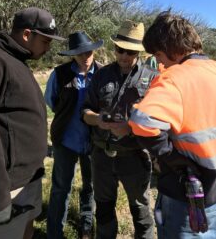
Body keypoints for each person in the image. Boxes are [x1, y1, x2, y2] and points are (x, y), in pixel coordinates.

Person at [111, 12, 216, 238]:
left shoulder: (173, 77)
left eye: (158, 56)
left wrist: (171, 157)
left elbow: (142, 121)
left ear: (168, 49)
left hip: (186, 196)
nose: (159, 63)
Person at [0, 7, 66, 239]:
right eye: (45, 41)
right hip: (9, 187)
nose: (48, 48)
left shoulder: (17, 60)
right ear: (26, 35)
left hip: (29, 178)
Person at [82, 20, 157, 239]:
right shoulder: (101, 75)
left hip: (134, 157)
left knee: (141, 213)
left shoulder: (153, 79)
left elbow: (158, 122)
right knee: (104, 211)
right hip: (102, 157)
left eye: (130, 51)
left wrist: (130, 128)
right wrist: (97, 120)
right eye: (119, 49)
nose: (124, 55)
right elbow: (85, 111)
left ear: (139, 52)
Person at [45, 31, 103, 239]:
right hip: (66, 140)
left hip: (94, 141)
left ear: (93, 51)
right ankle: (55, 232)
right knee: (61, 187)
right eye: (79, 53)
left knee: (91, 185)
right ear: (73, 55)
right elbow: (51, 101)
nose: (85, 56)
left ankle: (86, 225)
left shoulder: (103, 74)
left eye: (88, 51)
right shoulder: (59, 74)